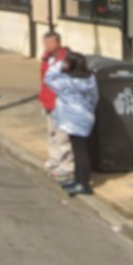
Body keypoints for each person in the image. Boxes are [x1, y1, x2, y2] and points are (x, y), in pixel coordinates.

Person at [44, 51, 99, 196]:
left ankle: (84, 185)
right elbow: (95, 98)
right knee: (79, 150)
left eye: (67, 62)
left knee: (80, 152)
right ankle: (78, 179)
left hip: (72, 121)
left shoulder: (66, 82)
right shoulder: (90, 79)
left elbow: (48, 78)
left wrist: (58, 64)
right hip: (86, 117)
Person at [39, 32, 72, 183]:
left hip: (61, 104)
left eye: (49, 43)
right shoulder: (47, 57)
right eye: (45, 43)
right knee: (51, 132)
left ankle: (67, 165)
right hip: (48, 101)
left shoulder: (66, 59)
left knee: (63, 136)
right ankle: (55, 159)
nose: (46, 46)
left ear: (57, 43)